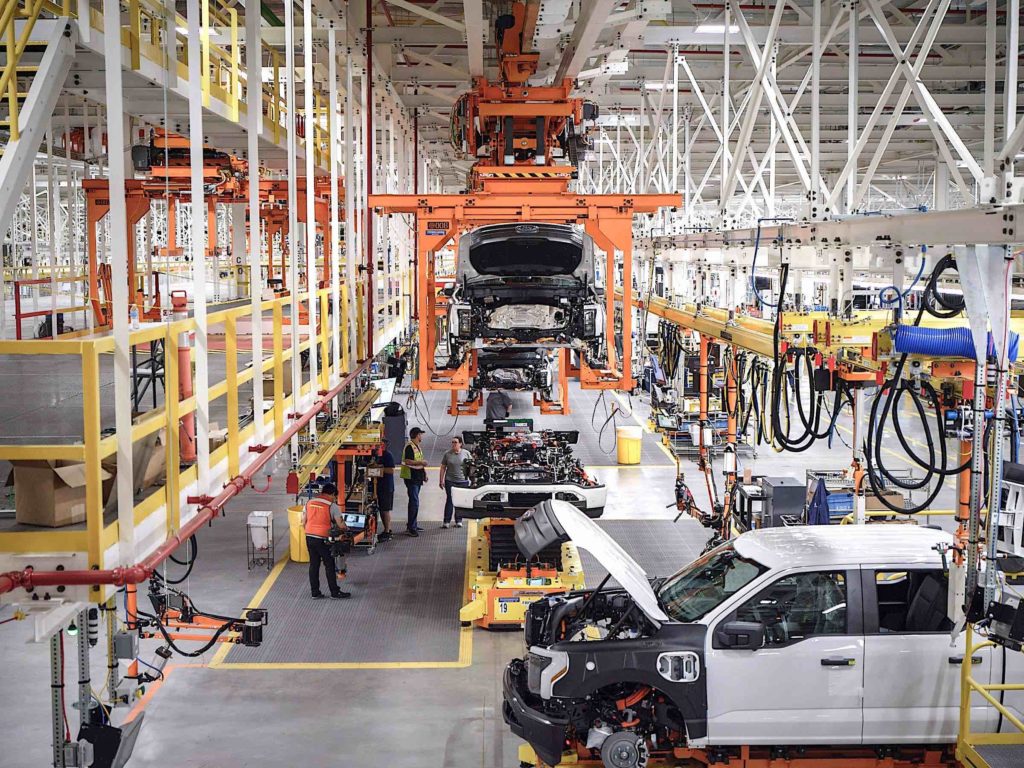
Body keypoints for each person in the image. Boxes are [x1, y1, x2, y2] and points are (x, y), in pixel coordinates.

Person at [300, 483, 350, 600]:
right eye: (334, 497)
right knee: (329, 565)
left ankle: (315, 592)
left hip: (309, 537)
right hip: (323, 538)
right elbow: (341, 524)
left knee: (314, 564)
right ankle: (334, 592)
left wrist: (309, 532)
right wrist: (346, 529)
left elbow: (303, 522)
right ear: (332, 494)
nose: (334, 499)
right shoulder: (332, 506)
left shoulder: (309, 502)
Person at [400, 427, 428, 537]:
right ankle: (411, 527)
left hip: (417, 477)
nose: (422, 436)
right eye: (421, 434)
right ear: (417, 435)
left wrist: (424, 473)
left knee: (414, 502)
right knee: (414, 502)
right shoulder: (409, 447)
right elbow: (407, 461)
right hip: (411, 478)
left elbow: (419, 463)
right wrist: (421, 462)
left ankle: (413, 525)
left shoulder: (417, 446)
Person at [439, 436, 471, 529]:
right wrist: (441, 480)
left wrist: (472, 480)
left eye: (455, 442)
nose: (453, 444)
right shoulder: (447, 454)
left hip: (462, 481)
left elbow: (471, 467)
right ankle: (446, 521)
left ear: (460, 444)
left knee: (460, 501)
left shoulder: (466, 454)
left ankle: (459, 520)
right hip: (450, 481)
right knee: (450, 500)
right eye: (452, 442)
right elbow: (443, 467)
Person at [373, 440, 396, 541]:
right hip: (377, 487)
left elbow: (391, 470)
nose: (377, 447)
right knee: (381, 509)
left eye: (380, 445)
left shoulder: (387, 455)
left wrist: (377, 469)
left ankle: (388, 531)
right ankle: (385, 530)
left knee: (385, 509)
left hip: (386, 487)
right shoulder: (375, 455)